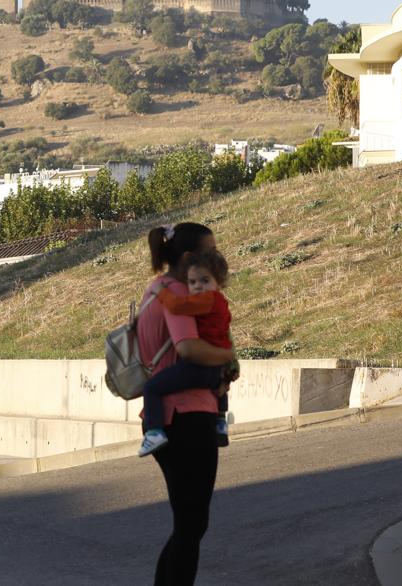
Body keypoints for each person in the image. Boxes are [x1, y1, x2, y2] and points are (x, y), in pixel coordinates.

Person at [137, 222, 236, 586]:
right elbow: (188, 348)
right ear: (191, 257)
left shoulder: (155, 289)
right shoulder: (178, 293)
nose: (217, 257)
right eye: (212, 251)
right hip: (187, 415)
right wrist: (226, 355)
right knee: (192, 524)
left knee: (188, 524)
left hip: (170, 416)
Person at [138, 249, 238, 457]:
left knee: (152, 387)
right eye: (192, 283)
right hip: (216, 367)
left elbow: (177, 306)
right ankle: (220, 421)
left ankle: (155, 431)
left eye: (205, 280)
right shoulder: (221, 302)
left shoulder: (207, 300)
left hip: (198, 366)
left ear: (219, 283)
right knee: (220, 388)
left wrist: (161, 293)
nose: (198, 286)